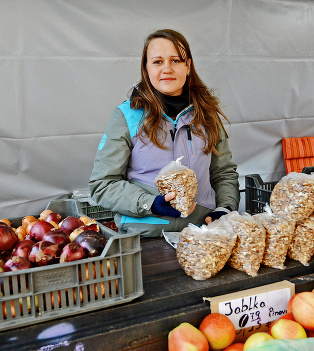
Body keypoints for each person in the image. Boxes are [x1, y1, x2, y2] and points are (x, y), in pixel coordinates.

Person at [89, 29, 239, 237]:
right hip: (143, 238)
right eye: (157, 62)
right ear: (146, 68)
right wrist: (150, 204)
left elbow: (223, 173)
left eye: (176, 60)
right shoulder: (127, 116)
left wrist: (225, 208)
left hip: (201, 236)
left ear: (188, 66)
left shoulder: (207, 115)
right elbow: (103, 184)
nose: (167, 69)